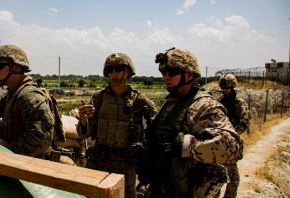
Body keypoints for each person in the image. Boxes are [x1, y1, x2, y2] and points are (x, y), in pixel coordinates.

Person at [138, 48, 243, 198]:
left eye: (172, 72)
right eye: (163, 73)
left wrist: (186, 145)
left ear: (188, 75)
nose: (166, 77)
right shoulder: (171, 103)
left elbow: (232, 147)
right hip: (162, 186)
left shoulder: (205, 106)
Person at [77, 53, 156, 198]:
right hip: (97, 162)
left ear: (127, 72)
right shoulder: (98, 98)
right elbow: (86, 133)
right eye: (110, 70)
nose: (113, 73)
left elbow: (154, 135)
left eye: (118, 69)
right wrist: (83, 119)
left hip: (125, 166)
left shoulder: (141, 102)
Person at [0, 44, 66, 162]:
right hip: (21, 161)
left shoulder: (28, 95)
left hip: (35, 163)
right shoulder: (14, 93)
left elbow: (41, 137)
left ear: (16, 68)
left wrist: (9, 149)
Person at [218, 73, 249, 198]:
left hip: (230, 143)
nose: (224, 90)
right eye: (223, 88)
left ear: (232, 87)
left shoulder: (238, 102)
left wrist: (232, 134)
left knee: (233, 179)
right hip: (218, 143)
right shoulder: (219, 102)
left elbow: (244, 122)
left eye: (227, 88)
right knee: (218, 176)